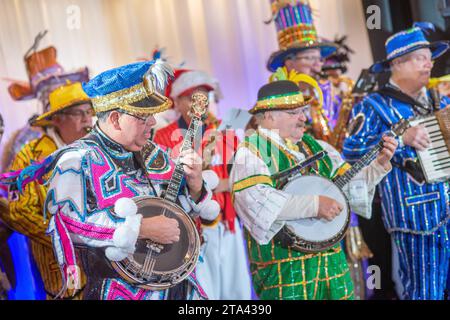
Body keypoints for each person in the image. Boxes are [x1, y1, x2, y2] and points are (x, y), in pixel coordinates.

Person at [1, 60, 218, 300]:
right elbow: (69, 223)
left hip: (175, 288)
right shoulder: (76, 159)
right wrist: (141, 228)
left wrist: (195, 185)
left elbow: (177, 207)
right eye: (143, 117)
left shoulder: (151, 151)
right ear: (115, 119)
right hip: (118, 292)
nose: (153, 123)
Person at [230, 79, 397, 300]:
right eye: (294, 113)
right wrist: (316, 205)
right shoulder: (250, 152)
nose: (303, 118)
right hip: (285, 272)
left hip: (332, 262)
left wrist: (379, 164)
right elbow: (258, 202)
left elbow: (348, 188)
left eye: (303, 111)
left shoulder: (317, 146)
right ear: (269, 116)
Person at [343, 22, 450, 300]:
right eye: (421, 58)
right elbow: (351, 153)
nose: (429, 64)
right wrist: (400, 139)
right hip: (414, 218)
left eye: (430, 58)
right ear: (398, 64)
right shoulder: (372, 105)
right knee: (424, 293)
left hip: (447, 208)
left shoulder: (436, 101)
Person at [154, 69, 252, 299]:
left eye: (204, 97)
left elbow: (245, 176)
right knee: (203, 293)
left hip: (227, 224)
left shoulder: (225, 132)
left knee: (236, 291)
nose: (200, 103)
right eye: (192, 97)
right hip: (190, 228)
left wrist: (219, 184)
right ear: (176, 101)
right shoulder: (162, 137)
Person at [2, 82, 93, 299]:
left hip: (108, 271)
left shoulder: (96, 149)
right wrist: (70, 239)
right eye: (79, 113)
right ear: (57, 119)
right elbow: (19, 212)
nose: (88, 120)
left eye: (90, 112)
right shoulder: (31, 156)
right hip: (63, 276)